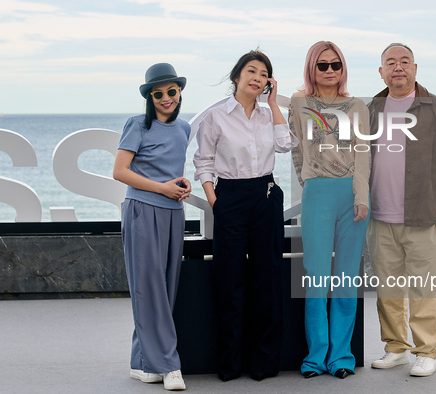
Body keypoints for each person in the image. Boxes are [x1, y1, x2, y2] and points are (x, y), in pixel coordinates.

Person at [366, 43, 436, 377]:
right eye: (390, 63)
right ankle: (396, 348)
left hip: (425, 216)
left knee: (427, 288)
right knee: (388, 290)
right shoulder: (371, 109)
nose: (398, 68)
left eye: (404, 62)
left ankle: (426, 351)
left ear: (415, 68)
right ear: (381, 71)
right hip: (380, 216)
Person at [193, 50, 298, 382]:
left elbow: (286, 145)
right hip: (230, 196)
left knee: (267, 279)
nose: (258, 77)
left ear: (269, 82)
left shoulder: (270, 115)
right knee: (230, 280)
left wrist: (275, 104)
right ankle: (230, 362)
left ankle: (264, 362)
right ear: (236, 76)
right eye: (251, 71)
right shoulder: (216, 116)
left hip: (265, 195)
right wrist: (215, 201)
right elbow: (204, 162)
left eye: (264, 73)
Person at [289, 41, 370, 379]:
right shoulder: (299, 102)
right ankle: (315, 358)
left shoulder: (356, 106)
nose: (330, 71)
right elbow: (295, 148)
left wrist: (361, 194)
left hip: (352, 193)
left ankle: (341, 358)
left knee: (347, 279)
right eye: (322, 65)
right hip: (318, 193)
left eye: (335, 64)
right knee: (317, 279)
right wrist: (309, 183)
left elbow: (364, 153)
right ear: (312, 68)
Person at [113, 63, 192, 391]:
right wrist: (162, 188)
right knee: (149, 290)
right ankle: (168, 365)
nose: (165, 98)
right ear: (150, 96)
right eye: (158, 93)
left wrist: (181, 185)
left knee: (165, 288)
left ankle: (142, 362)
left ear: (179, 92)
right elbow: (120, 171)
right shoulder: (137, 125)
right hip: (143, 211)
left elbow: (171, 169)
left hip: (173, 213)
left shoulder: (185, 128)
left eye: (171, 91)